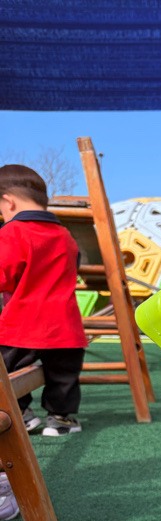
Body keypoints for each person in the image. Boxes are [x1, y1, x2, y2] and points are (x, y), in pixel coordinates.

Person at [0, 165, 87, 437]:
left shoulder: (11, 232)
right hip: (65, 326)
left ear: (8, 202)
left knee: (10, 374)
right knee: (64, 376)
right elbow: (74, 266)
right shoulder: (65, 235)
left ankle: (21, 414)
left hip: (21, 324)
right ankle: (60, 418)